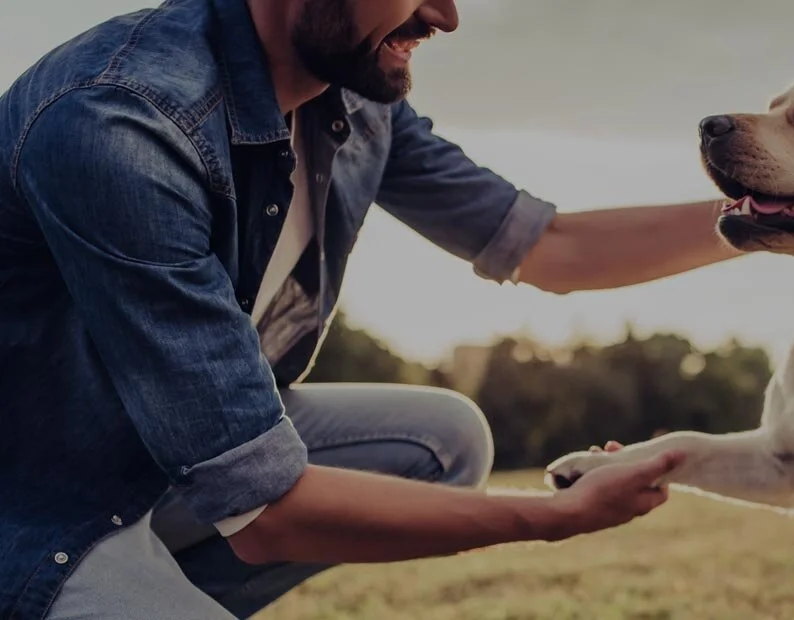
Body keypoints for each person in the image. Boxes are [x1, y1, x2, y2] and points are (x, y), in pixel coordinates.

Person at [0, 0, 738, 618]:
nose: (445, 16)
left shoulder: (347, 98)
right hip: (37, 505)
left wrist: (773, 215)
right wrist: (556, 517)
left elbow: (553, 249)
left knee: (443, 440)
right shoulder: (122, 118)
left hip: (153, 464)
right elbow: (270, 510)